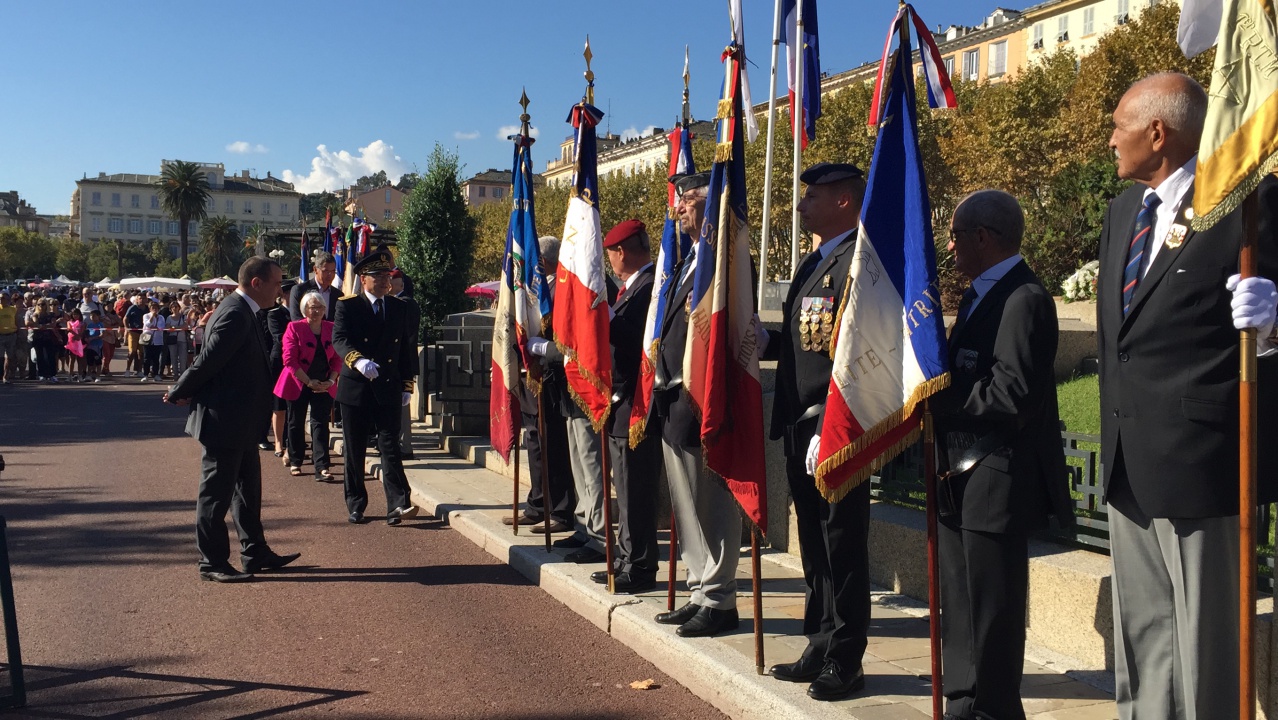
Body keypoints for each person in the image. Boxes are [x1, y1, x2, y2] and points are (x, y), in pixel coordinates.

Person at [1098, 72, 1278, 720]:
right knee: (1144, 637)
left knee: (1207, 646)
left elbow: (1264, 321)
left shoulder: (1247, 199)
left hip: (1204, 464)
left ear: (1158, 132)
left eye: (1119, 126)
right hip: (1128, 460)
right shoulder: (1124, 212)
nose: (1110, 139)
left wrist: (1275, 322)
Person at [927, 190, 1075, 720]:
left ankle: (994, 709)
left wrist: (938, 397)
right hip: (958, 473)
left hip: (995, 473)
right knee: (960, 600)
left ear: (983, 237)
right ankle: (964, 701)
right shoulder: (978, 294)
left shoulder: (1024, 298)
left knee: (993, 609)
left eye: (956, 236)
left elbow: (1012, 393)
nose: (950, 247)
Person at [761, 163, 871, 700]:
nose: (801, 206)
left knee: (842, 543)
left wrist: (831, 424)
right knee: (814, 542)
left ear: (844, 201)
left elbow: (858, 355)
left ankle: (846, 656)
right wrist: (759, 339)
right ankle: (820, 639)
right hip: (800, 423)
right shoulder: (815, 260)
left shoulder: (861, 263)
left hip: (835, 424)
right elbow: (801, 342)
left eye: (812, 197)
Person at [164, 256, 301, 583]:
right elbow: (209, 360)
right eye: (276, 283)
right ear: (257, 283)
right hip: (224, 420)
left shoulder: (244, 310)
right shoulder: (235, 313)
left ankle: (255, 552)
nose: (280, 290)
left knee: (247, 493)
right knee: (215, 495)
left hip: (241, 421)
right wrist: (180, 390)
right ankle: (212, 562)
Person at [649, 171, 741, 638]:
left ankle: (720, 598)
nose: (679, 207)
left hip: (700, 397)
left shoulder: (722, 258)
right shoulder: (689, 260)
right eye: (680, 199)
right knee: (685, 504)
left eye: (687, 198)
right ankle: (700, 589)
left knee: (711, 502)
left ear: (710, 202)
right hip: (672, 396)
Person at [588, 219, 661, 593]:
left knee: (636, 491)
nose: (610, 262)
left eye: (611, 254)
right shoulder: (631, 288)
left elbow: (639, 342)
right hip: (620, 402)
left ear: (621, 252)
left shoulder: (649, 287)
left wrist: (607, 316)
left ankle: (641, 565)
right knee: (626, 489)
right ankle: (626, 559)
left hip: (636, 402)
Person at [332, 249, 420, 526]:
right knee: (355, 447)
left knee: (390, 445)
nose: (385, 281)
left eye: (387, 276)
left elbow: (404, 348)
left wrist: (407, 384)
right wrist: (357, 361)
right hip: (357, 386)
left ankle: (398, 503)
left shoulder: (398, 307)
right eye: (378, 276)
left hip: (388, 386)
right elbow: (340, 339)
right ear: (363, 279)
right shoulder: (348, 305)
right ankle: (356, 504)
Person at [502, 235, 579, 534]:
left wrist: (542, 349)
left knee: (554, 446)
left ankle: (561, 510)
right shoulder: (533, 290)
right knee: (535, 443)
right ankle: (537, 504)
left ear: (543, 262)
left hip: (554, 378)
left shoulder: (562, 288)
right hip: (531, 377)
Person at [274, 290, 340, 480]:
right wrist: (308, 381)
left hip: (324, 382)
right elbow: (289, 360)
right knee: (295, 422)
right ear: (304, 310)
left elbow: (338, 358)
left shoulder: (331, 328)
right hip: (299, 381)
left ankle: (322, 467)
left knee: (320, 423)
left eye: (320, 307)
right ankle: (296, 461)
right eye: (312, 307)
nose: (317, 311)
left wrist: (330, 380)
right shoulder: (294, 327)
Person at [390, 269, 420, 459]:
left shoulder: (405, 303)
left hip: (403, 363)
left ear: (399, 284)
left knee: (402, 406)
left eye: (390, 280)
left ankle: (404, 446)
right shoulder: (397, 302)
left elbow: (405, 337)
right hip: (398, 362)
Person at [266, 280, 296, 458]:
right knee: (279, 404)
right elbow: (279, 337)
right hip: (280, 361)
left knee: (294, 405)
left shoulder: (301, 314)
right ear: (284, 294)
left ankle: (292, 443)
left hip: (298, 362)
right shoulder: (275, 314)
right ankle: (279, 442)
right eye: (293, 293)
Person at [289, 251, 341, 321]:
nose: (330, 275)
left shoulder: (338, 295)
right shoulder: (300, 290)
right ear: (315, 269)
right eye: (326, 271)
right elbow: (296, 320)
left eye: (333, 271)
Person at [140, 300, 165, 382]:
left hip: (158, 340)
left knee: (156, 358)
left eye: (156, 308)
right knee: (147, 358)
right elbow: (147, 324)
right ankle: (145, 374)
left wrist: (155, 326)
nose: (154, 309)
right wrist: (152, 317)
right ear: (150, 309)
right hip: (148, 339)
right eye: (153, 308)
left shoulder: (161, 317)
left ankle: (156, 374)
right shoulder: (146, 315)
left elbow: (161, 327)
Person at [124, 294, 146, 377]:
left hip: (143, 333)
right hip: (133, 332)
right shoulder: (132, 308)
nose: (142, 300)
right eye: (140, 298)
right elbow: (125, 318)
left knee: (141, 352)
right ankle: (127, 369)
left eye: (143, 298)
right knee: (132, 352)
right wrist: (127, 328)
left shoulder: (147, 308)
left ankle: (139, 370)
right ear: (137, 300)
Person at [0, 292, 18, 385]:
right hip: (0, 336)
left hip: (11, 335)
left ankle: (5, 376)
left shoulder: (13, 309)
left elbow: (17, 320)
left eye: (3, 298)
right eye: (0, 298)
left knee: (9, 357)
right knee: (0, 357)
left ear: (8, 300)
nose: (1, 300)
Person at [84, 309, 105, 382]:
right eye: (91, 316)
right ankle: (89, 375)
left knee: (98, 361)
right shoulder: (89, 325)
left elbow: (102, 335)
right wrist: (87, 338)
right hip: (90, 346)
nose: (92, 317)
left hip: (98, 346)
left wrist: (93, 338)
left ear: (98, 316)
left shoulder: (101, 325)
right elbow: (86, 333)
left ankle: (98, 376)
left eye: (94, 316)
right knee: (89, 361)